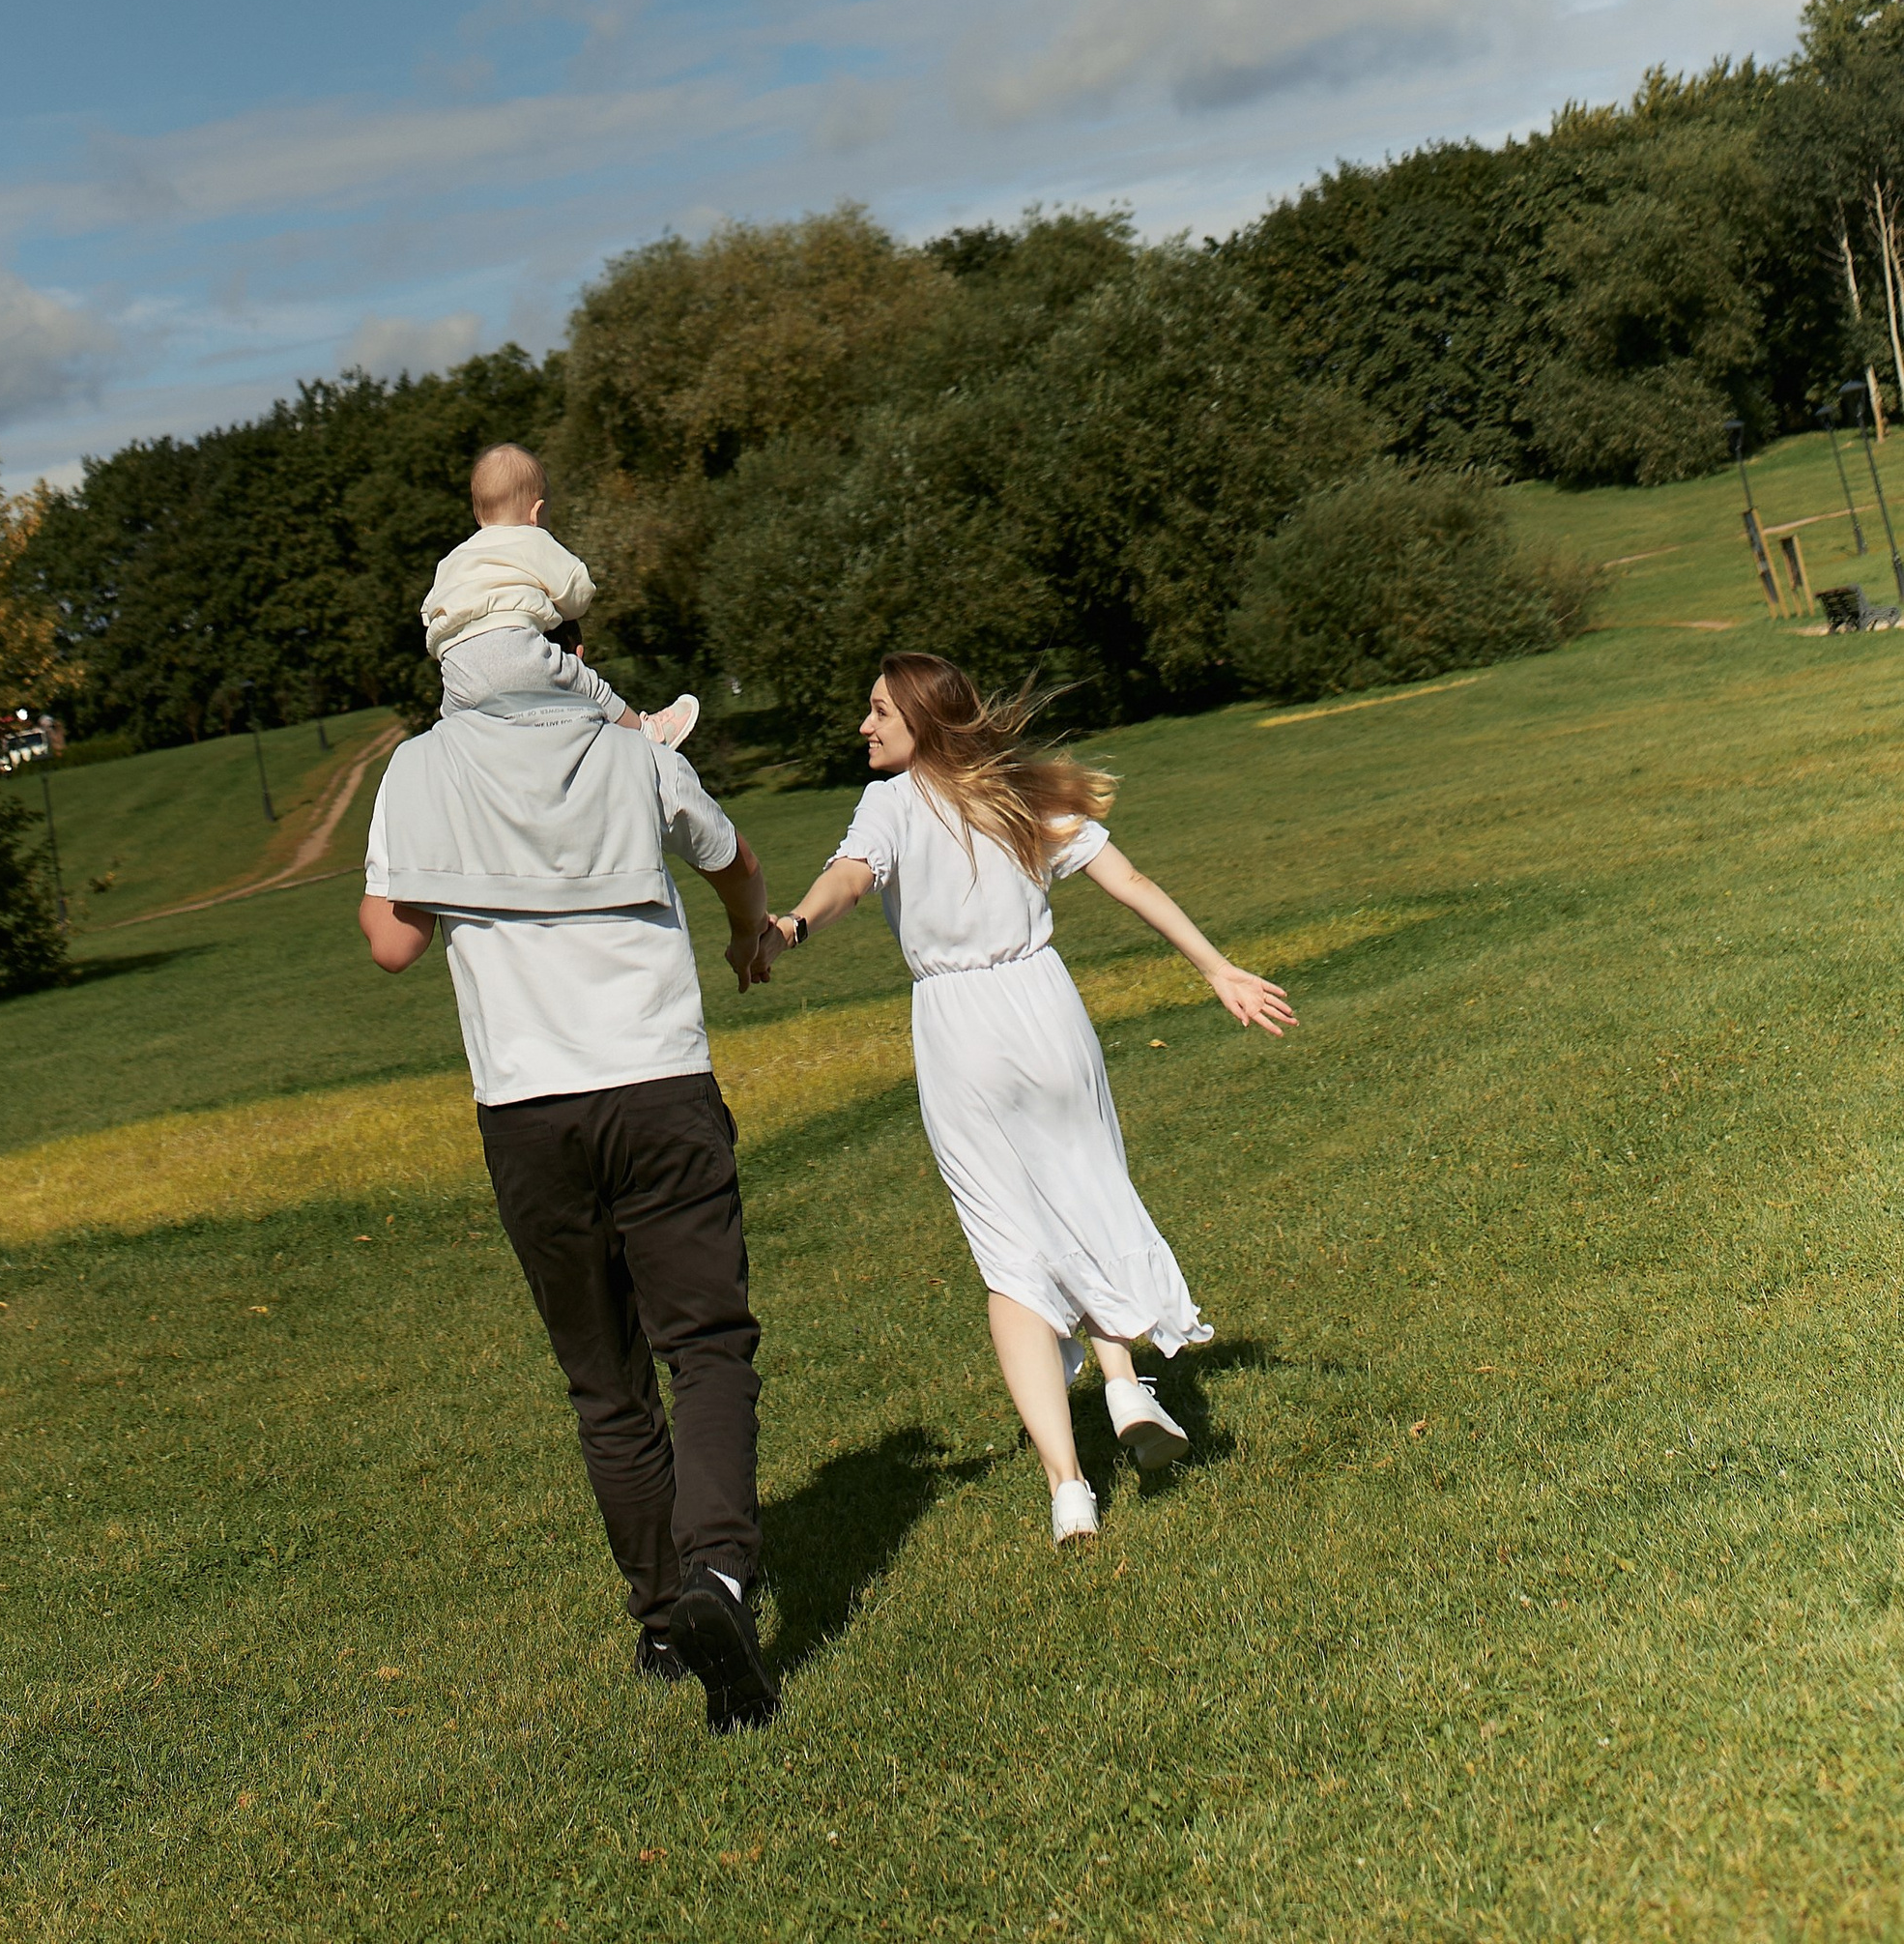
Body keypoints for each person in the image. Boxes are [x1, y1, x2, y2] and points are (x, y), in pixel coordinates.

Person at [361, 492, 780, 1731]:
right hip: (657, 1081)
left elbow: (390, 944)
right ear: (557, 630)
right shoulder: (633, 750)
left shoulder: (418, 773)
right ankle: (716, 1573)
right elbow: (733, 858)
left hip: (527, 1113)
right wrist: (746, 935)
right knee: (704, 1347)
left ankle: (665, 1621)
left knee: (606, 1387)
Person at [764, 652, 1294, 1546]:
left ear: (922, 724)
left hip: (959, 1028)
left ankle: (1068, 1490)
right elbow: (1129, 880)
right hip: (1046, 1008)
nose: (865, 727)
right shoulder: (1015, 793)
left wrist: (794, 925)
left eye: (879, 714)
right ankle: (1123, 1386)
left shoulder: (889, 805)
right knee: (1087, 1190)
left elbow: (851, 878)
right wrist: (1216, 968)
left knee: (1009, 1251)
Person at [424, 441, 697, 749]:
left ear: (477, 514)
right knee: (585, 683)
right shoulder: (531, 539)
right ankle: (648, 734)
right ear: (537, 512)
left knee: (451, 734)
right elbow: (578, 591)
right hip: (514, 651)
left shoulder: (453, 560)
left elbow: (431, 610)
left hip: (456, 668)